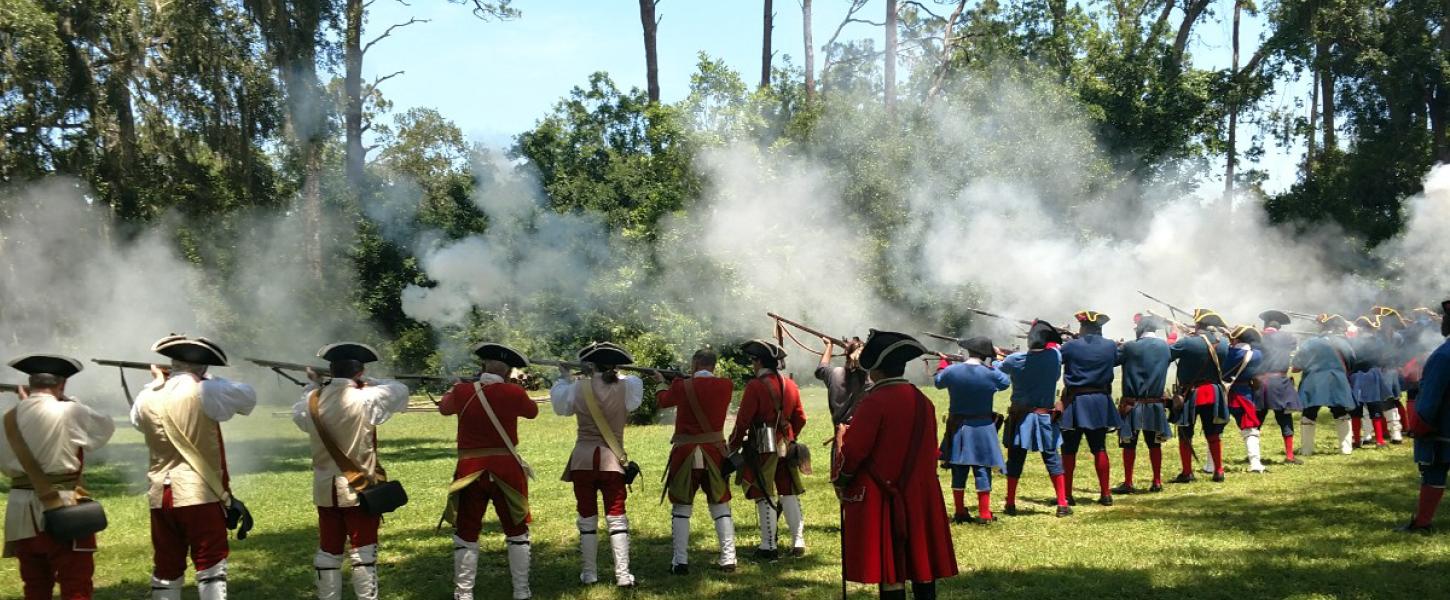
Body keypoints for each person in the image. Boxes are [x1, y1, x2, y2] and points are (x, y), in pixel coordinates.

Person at [131, 335, 257, 600]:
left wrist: (157, 384)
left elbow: (136, 421)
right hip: (199, 491)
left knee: (166, 566)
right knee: (211, 563)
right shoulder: (205, 389)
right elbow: (248, 398)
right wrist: (208, 381)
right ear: (203, 368)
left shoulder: (145, 396)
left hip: (159, 494)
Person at [837, 330, 958, 600]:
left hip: (884, 496)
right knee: (922, 564)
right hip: (921, 494)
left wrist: (842, 478)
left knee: (892, 571)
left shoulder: (874, 402)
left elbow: (854, 451)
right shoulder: (923, 401)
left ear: (875, 369)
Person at [289, 343, 409, 600]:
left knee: (328, 553)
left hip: (324, 489)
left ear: (331, 370)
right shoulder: (367, 397)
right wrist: (368, 381)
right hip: (359, 490)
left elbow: (299, 414)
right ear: (360, 371)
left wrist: (315, 384)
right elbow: (400, 389)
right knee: (363, 554)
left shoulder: (310, 401)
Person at [0, 355, 115, 600]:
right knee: (76, 584)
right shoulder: (70, 410)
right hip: (64, 506)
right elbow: (104, 429)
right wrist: (70, 402)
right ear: (61, 385)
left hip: (21, 511)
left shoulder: (8, 419)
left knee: (35, 586)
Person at [438, 343, 539, 600]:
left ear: (482, 365)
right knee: (516, 531)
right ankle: (521, 591)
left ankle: (463, 593)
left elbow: (444, 407)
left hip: (470, 471)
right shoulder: (513, 392)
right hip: (507, 470)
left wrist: (456, 386)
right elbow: (532, 412)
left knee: (467, 531)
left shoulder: (462, 391)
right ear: (507, 371)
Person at [550, 342, 642, 588]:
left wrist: (564, 377)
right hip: (612, 460)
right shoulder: (629, 386)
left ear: (589, 365)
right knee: (617, 517)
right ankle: (623, 575)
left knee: (587, 517)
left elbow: (561, 408)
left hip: (582, 460)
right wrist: (613, 373)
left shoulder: (576, 388)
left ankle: (589, 574)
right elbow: (633, 398)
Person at [653, 348, 736, 574]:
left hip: (686, 453)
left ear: (696, 363)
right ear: (713, 364)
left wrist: (661, 383)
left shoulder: (681, 386)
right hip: (715, 452)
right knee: (720, 506)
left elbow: (663, 401)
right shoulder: (726, 385)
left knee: (681, 507)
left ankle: (680, 561)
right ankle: (729, 558)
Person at [728, 339, 808, 559]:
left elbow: (743, 422)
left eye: (753, 361)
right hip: (787, 444)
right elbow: (800, 418)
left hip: (763, 445)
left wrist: (732, 445)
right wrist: (791, 437)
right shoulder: (790, 384)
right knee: (788, 490)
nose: (752, 365)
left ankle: (768, 545)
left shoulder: (755, 386)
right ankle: (798, 541)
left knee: (764, 492)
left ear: (759, 361)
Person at [998, 321, 1071, 517]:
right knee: (1052, 458)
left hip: (1021, 418)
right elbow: (1055, 350)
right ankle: (1062, 503)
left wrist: (997, 355)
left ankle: (1011, 502)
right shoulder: (1054, 357)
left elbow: (999, 368)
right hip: (1044, 417)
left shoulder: (1014, 359)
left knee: (1015, 460)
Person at [933, 336, 1009, 524]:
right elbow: (1005, 383)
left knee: (958, 468)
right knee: (983, 468)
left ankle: (959, 511)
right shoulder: (991, 373)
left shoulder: (952, 370)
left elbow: (938, 382)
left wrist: (944, 362)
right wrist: (997, 363)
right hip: (983, 426)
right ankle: (984, 513)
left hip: (958, 426)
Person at [1057, 311, 1120, 506]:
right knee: (1099, 447)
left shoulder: (1071, 346)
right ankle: (1106, 493)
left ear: (1083, 327)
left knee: (1069, 450)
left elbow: (1058, 357)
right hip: (1100, 400)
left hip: (1076, 401)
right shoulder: (1110, 346)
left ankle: (1067, 494)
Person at [1400, 300, 1450, 533]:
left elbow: (1431, 396)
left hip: (1443, 427)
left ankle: (1422, 523)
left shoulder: (1443, 355)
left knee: (1434, 470)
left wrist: (1421, 423)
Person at [1113, 315, 1173, 494]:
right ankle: (1157, 481)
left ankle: (1129, 482)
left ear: (1140, 328)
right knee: (1154, 444)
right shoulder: (1164, 347)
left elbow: (1115, 360)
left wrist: (1119, 347)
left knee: (1129, 444)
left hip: (1133, 404)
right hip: (1155, 404)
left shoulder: (1130, 347)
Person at [1169, 309, 1231, 483]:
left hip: (1191, 392)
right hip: (1213, 391)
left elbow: (1166, 354)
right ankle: (1218, 470)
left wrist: (1174, 335)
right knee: (1213, 434)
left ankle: (1187, 472)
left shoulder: (1188, 342)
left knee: (1185, 433)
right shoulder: (1223, 342)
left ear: (1197, 324)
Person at [1295, 315, 1357, 456]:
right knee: (1341, 413)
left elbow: (1297, 365)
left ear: (1322, 326)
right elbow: (1352, 362)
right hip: (1337, 380)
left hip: (1313, 381)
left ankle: (1306, 450)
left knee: (1309, 414)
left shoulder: (1310, 342)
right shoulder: (1344, 343)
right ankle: (1346, 449)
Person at [1256, 310, 1304, 464]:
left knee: (1257, 421)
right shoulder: (1288, 338)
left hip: (1261, 383)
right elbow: (1292, 343)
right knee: (1285, 419)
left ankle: (1254, 457)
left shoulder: (1259, 338)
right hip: (1280, 383)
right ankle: (1289, 455)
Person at [1225, 326, 1268, 473]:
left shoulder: (1227, 352)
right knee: (1250, 429)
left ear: (1236, 338)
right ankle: (1255, 463)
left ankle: (1211, 465)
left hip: (1224, 394)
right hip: (1245, 395)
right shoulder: (1257, 355)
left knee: (1214, 431)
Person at [1349, 316, 1392, 449]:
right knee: (1375, 408)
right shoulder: (1378, 341)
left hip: (1356, 376)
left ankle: (1356, 440)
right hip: (1372, 375)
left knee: (1356, 409)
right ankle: (1379, 440)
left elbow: (1350, 359)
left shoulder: (1353, 342)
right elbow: (1383, 358)